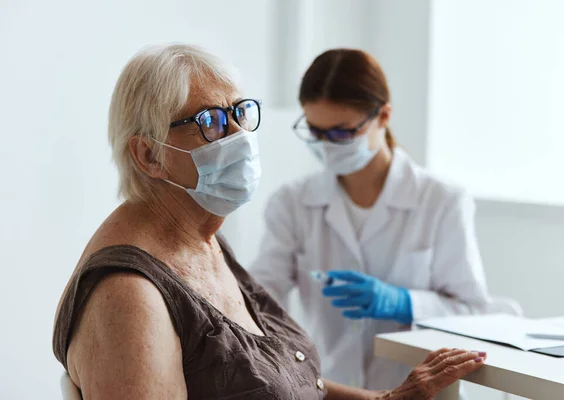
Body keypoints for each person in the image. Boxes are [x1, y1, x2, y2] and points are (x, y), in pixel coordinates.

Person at [52, 44, 487, 400]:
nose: (240, 138)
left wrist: (388, 398)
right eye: (211, 122)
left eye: (239, 114)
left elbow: (268, 375)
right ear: (149, 155)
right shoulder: (129, 294)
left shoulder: (205, 244)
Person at [250, 48, 491, 390]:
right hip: (332, 387)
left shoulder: (441, 200)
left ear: (383, 116)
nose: (327, 145)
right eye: (317, 133)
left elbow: (475, 311)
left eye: (342, 132)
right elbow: (260, 301)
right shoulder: (292, 203)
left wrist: (405, 303)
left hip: (420, 389)